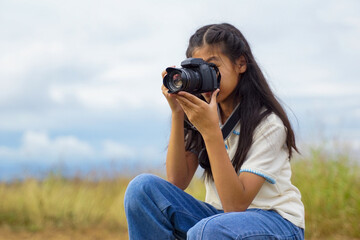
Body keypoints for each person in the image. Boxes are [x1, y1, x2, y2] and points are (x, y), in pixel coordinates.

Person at [124, 23, 305, 240]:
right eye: (198, 70)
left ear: (241, 63)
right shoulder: (206, 114)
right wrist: (178, 113)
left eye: (213, 67)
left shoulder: (268, 124)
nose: (206, 76)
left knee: (207, 230)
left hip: (276, 223)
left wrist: (210, 131)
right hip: (219, 220)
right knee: (141, 190)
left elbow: (235, 205)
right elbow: (177, 182)